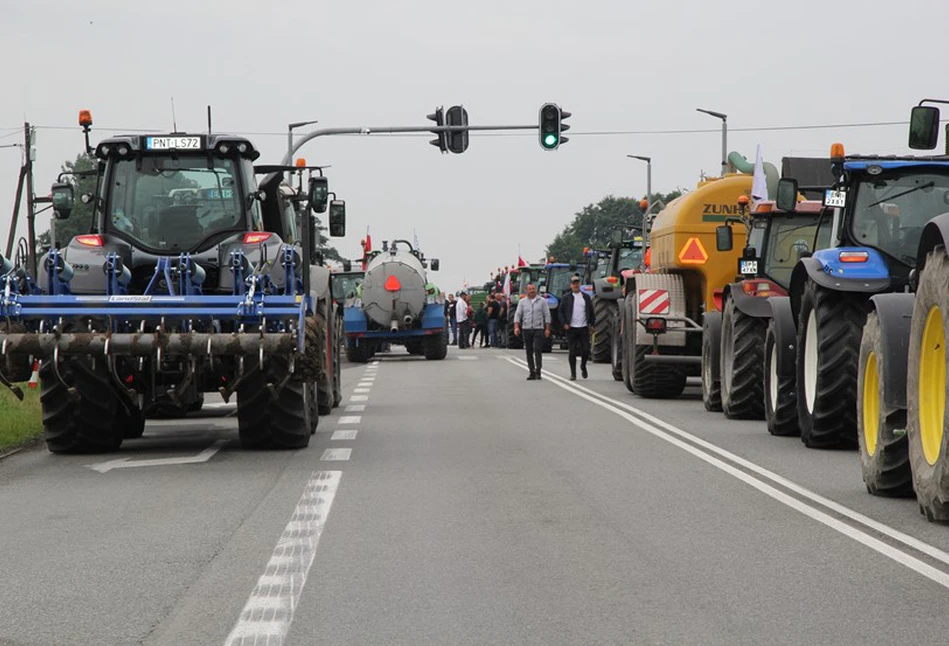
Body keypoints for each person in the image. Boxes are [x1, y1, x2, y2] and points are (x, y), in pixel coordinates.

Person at [560, 274, 595, 381]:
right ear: (571, 285)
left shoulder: (586, 297)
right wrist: (564, 323)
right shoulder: (566, 298)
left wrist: (592, 324)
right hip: (571, 328)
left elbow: (591, 312)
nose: (575, 285)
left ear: (579, 284)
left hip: (583, 327)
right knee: (572, 351)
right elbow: (560, 312)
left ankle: (583, 366)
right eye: (573, 283)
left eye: (577, 283)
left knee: (585, 350)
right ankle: (573, 373)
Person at [513, 282, 551, 380]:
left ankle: (538, 370)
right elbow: (518, 315)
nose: (532, 291)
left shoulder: (542, 301)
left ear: (536, 290)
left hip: (538, 328)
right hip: (526, 328)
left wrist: (547, 329)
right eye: (530, 289)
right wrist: (516, 327)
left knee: (537, 349)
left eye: (533, 289)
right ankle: (531, 371)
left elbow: (547, 315)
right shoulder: (522, 302)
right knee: (528, 351)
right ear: (527, 290)